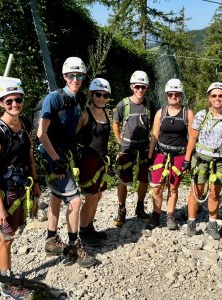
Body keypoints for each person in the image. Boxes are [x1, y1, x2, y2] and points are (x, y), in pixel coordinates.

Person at [37, 57, 97, 268]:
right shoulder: (53, 99)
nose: (75, 79)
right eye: (71, 75)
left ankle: (51, 239)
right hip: (52, 156)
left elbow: (77, 125)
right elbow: (41, 134)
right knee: (74, 200)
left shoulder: (77, 99)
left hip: (65, 154)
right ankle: (74, 245)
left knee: (55, 197)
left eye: (79, 75)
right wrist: (56, 160)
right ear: (64, 76)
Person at [0, 77, 41, 298]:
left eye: (17, 99)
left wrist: (36, 183)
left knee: (9, 235)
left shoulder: (24, 125)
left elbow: (30, 157)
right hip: (6, 191)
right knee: (6, 238)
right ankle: (5, 282)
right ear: (1, 102)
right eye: (8, 101)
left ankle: (0, 270)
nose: (14, 104)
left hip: (22, 188)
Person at [183, 82, 222, 239]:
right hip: (201, 159)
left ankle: (212, 224)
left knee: (215, 193)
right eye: (214, 95)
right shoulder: (201, 116)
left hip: (219, 162)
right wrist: (187, 160)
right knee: (196, 191)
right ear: (209, 98)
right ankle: (191, 222)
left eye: (220, 96)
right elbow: (192, 139)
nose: (217, 98)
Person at [147, 79, 194, 230]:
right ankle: (156, 214)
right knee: (156, 187)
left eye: (177, 94)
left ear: (181, 95)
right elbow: (155, 134)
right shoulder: (161, 113)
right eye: (171, 94)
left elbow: (192, 138)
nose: (173, 96)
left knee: (173, 187)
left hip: (179, 155)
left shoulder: (188, 114)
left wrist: (187, 159)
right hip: (161, 154)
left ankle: (170, 215)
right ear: (167, 95)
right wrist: (149, 156)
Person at [113, 70, 155, 227]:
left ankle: (140, 207)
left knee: (144, 178)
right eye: (137, 86)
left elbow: (154, 126)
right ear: (132, 86)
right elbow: (115, 124)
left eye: (143, 87)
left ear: (147, 88)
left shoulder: (150, 105)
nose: (140, 90)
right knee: (123, 180)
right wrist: (120, 142)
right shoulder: (122, 105)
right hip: (126, 147)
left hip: (144, 147)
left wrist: (152, 147)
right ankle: (121, 209)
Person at [76, 78, 111, 246]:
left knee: (98, 195)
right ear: (91, 94)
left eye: (105, 95)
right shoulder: (85, 113)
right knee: (90, 196)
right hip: (88, 160)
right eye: (98, 94)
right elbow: (74, 136)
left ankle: (90, 227)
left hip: (102, 161)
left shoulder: (106, 113)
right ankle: (83, 232)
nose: (101, 98)